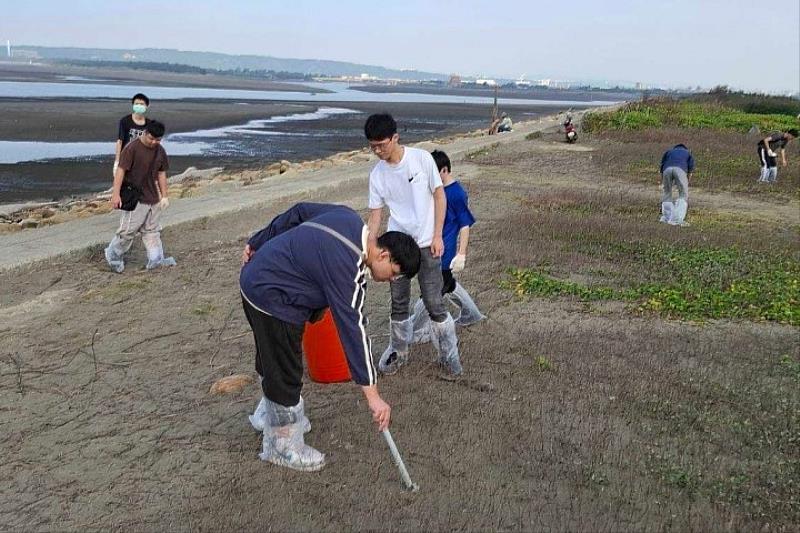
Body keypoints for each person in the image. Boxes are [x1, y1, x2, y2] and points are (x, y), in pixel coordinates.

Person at [240, 202, 421, 472]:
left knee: (270, 356)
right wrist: (373, 395)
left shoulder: (347, 217)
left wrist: (257, 242)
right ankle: (282, 445)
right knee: (285, 367)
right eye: (394, 274)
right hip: (273, 298)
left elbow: (298, 211)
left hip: (254, 281)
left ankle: (268, 415)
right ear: (383, 255)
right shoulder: (350, 269)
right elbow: (354, 328)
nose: (392, 281)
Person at [365, 113, 463, 377]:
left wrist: (438, 235)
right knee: (398, 302)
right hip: (397, 244)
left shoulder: (421, 159)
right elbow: (376, 216)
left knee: (433, 301)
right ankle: (399, 352)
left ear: (395, 138)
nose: (377, 150)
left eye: (381, 145)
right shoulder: (377, 174)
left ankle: (449, 356)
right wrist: (371, 249)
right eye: (372, 146)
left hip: (426, 242)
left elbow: (439, 197)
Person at [410, 150, 485, 344]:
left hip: (445, 251)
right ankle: (472, 314)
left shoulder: (457, 193)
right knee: (447, 284)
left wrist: (461, 254)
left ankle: (417, 329)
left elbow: (465, 225)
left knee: (431, 292)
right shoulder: (436, 190)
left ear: (444, 170)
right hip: (431, 246)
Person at [104, 120, 175, 273]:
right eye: (151, 138)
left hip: (153, 197)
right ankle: (113, 256)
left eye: (158, 140)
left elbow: (162, 173)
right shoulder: (132, 148)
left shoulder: (160, 150)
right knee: (127, 231)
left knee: (152, 231)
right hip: (135, 197)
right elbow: (121, 171)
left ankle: (156, 259)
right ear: (145, 133)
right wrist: (116, 195)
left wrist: (164, 196)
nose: (154, 142)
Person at [114, 93, 152, 178]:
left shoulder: (150, 124)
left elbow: (152, 143)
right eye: (136, 104)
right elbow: (120, 141)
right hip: (126, 158)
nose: (139, 106)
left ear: (147, 106)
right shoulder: (125, 121)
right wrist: (117, 161)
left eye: (141, 104)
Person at [659, 143, 695, 226]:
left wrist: (664, 182)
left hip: (666, 170)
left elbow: (661, 168)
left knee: (667, 193)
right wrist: (686, 182)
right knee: (683, 194)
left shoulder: (669, 151)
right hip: (680, 169)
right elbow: (690, 171)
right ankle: (676, 219)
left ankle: (666, 217)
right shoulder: (688, 153)